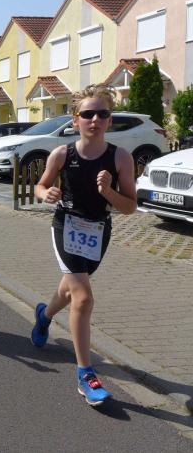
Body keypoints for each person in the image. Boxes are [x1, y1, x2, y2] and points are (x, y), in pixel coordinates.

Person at [30, 85, 136, 406]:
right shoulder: (62, 154)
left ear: (110, 120)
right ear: (76, 120)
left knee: (70, 291)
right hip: (66, 227)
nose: (95, 120)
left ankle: (45, 315)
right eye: (88, 114)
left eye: (102, 114)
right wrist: (45, 194)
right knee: (84, 297)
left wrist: (108, 192)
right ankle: (85, 374)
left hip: (98, 231)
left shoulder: (121, 157)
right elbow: (40, 186)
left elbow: (129, 207)